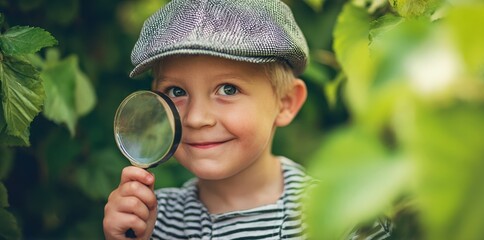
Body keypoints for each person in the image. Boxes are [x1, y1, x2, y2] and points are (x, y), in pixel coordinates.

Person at [103, 0, 391, 239]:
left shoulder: (339, 213)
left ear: (286, 103)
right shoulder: (151, 221)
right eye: (176, 91)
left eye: (228, 89)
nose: (196, 118)